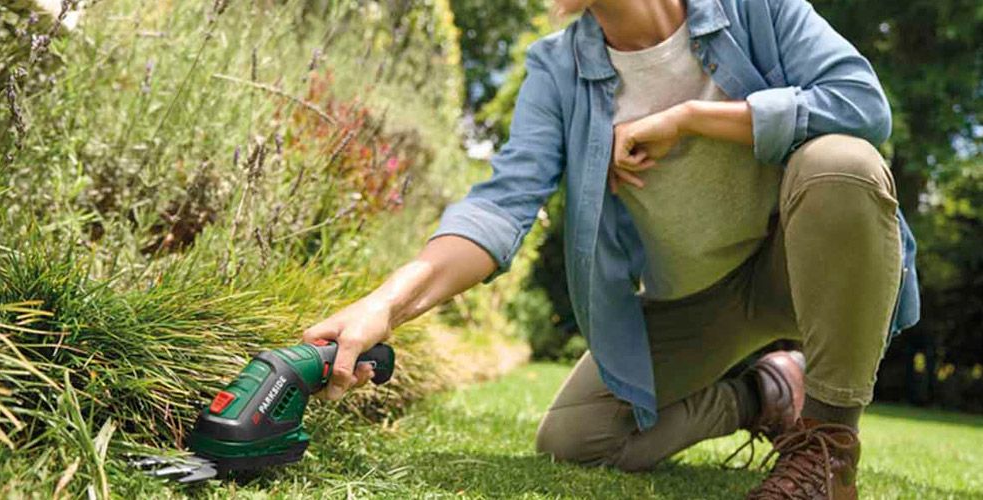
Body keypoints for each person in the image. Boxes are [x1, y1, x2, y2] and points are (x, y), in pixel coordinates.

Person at [302, 0, 921, 497]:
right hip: (698, 299)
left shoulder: (758, 9)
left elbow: (862, 106)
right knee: (576, 438)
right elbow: (501, 206)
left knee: (840, 160)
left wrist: (691, 118)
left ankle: (828, 448)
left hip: (802, 271)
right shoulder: (556, 72)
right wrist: (385, 305)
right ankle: (769, 391)